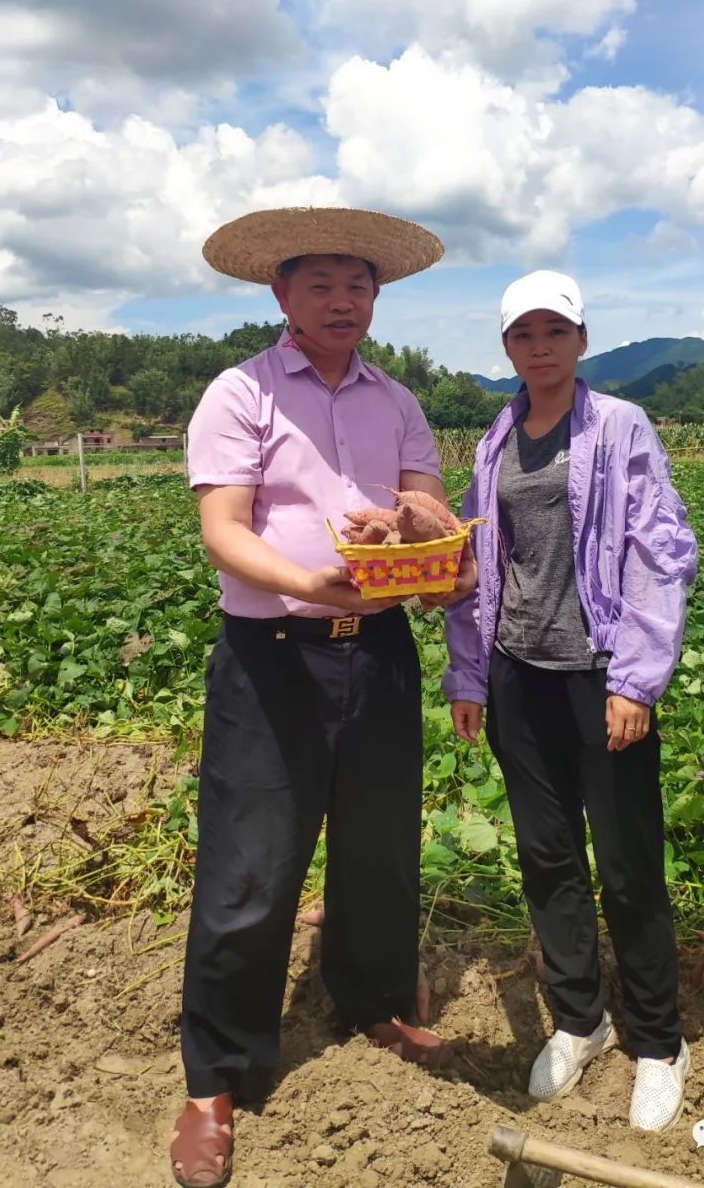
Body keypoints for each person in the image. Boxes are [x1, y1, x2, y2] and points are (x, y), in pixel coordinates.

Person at [171, 207, 474, 1188]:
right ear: (282, 295)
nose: (343, 299)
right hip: (271, 655)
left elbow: (427, 508)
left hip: (377, 648)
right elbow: (225, 530)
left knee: (381, 847)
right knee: (250, 866)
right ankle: (214, 1079)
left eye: (359, 283)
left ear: (377, 297)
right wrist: (306, 582)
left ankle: (374, 1003)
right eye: (323, 283)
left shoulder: (399, 402)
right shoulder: (240, 394)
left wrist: (417, 525)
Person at [443, 270, 698, 1133]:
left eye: (556, 331)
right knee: (547, 859)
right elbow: (477, 562)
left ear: (581, 340)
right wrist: (469, 674)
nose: (540, 347)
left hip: (599, 676)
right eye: (524, 334)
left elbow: (660, 552)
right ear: (507, 346)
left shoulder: (619, 425)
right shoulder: (495, 436)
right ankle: (581, 1019)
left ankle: (659, 1042)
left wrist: (635, 679)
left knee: (627, 866)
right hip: (521, 676)